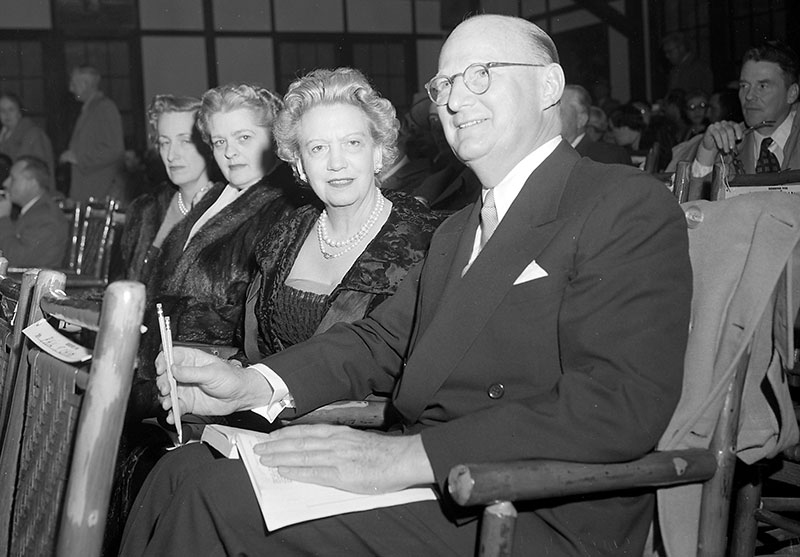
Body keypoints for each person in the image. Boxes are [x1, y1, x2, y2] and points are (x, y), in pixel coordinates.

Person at [120, 14, 691, 556]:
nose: (456, 98)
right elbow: (380, 341)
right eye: (444, 84)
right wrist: (250, 384)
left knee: (216, 502)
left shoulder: (621, 204)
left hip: (528, 505)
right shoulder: (459, 230)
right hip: (440, 483)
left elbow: (619, 405)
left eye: (481, 75)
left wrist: (400, 459)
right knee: (178, 471)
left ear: (549, 85)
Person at [241, 67, 440, 363]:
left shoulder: (429, 242)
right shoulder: (282, 240)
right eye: (318, 148)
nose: (336, 162)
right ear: (299, 165)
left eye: (352, 143)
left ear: (377, 152)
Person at [128, 82, 303, 419]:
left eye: (244, 138)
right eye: (220, 141)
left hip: (210, 391)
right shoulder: (213, 197)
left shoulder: (284, 211)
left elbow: (260, 327)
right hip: (160, 377)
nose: (230, 153)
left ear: (274, 138)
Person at [119, 94, 217, 283]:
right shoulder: (145, 210)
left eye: (185, 141)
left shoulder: (228, 211)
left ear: (209, 144)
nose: (172, 155)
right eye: (165, 143)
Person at [691, 40, 800, 181]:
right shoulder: (729, 143)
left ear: (792, 93)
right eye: (744, 86)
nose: (748, 96)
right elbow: (697, 201)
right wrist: (707, 155)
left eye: (762, 86)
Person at [59, 65, 125, 202]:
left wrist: (78, 158)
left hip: (99, 191)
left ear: (86, 84)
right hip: (86, 190)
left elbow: (115, 149)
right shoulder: (90, 109)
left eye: (74, 84)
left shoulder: (105, 108)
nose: (71, 89)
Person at [0, 155, 68, 268]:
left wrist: (3, 219)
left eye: (13, 178)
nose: (6, 183)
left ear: (32, 183)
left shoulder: (46, 217)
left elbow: (16, 260)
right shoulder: (33, 211)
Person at [560, 84, 631, 165]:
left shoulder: (606, 157)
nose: (550, 118)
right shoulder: (550, 154)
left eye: (559, 112)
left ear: (581, 120)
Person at [0, 92, 55, 174]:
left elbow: (39, 170)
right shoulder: (3, 135)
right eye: (2, 110)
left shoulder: (33, 134)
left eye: (11, 109)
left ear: (19, 112)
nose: (7, 114)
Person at [610, 103, 674, 171]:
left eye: (612, 129)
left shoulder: (650, 150)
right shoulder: (635, 149)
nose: (612, 135)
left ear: (625, 127)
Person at [662, 32, 712, 97]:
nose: (667, 56)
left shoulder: (698, 68)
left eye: (670, 51)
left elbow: (702, 95)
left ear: (682, 48)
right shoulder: (674, 70)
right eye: (665, 52)